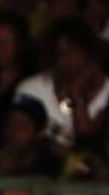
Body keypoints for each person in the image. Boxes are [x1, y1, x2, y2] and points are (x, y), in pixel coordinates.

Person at [15, 18, 108, 151]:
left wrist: (77, 95)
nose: (71, 61)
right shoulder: (30, 90)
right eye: (63, 54)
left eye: (76, 52)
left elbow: (90, 144)